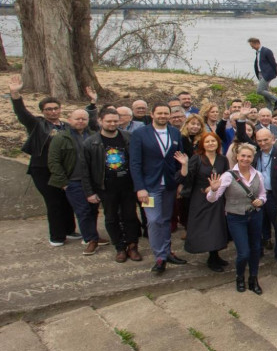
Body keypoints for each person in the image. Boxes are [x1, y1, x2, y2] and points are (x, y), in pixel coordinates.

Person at [9, 74, 81, 245]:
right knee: (54, 201)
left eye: (55, 108)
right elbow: (22, 114)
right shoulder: (38, 124)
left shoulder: (66, 126)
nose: (53, 111)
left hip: (64, 170)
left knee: (66, 200)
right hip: (42, 169)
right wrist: (15, 95)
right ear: (43, 111)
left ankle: (69, 230)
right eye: (49, 109)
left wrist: (92, 105)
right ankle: (57, 236)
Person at [129, 103, 188, 275]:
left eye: (165, 113)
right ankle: (160, 257)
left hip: (169, 185)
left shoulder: (175, 133)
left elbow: (180, 160)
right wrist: (140, 188)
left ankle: (167, 251)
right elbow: (135, 163)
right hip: (149, 186)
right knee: (154, 221)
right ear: (152, 114)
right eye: (159, 113)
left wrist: (180, 182)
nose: (162, 116)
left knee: (166, 219)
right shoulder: (140, 134)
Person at [82, 107, 142, 262]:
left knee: (130, 216)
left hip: (128, 185)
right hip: (106, 188)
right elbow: (85, 169)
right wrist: (89, 192)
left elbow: (137, 161)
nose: (112, 124)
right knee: (111, 218)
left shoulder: (128, 137)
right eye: (108, 121)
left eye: (115, 121)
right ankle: (119, 247)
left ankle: (132, 246)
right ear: (100, 121)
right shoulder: (91, 143)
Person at [206, 143, 266, 294]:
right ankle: (240, 277)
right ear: (237, 157)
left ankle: (253, 278)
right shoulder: (227, 176)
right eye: (243, 156)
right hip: (236, 217)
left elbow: (263, 194)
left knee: (255, 249)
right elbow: (212, 199)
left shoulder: (258, 174)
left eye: (249, 156)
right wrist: (213, 190)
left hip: (255, 215)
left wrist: (261, 201)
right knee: (244, 252)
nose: (245, 159)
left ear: (253, 158)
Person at [47, 105, 106, 254]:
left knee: (93, 210)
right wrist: (64, 183)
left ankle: (93, 236)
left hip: (92, 182)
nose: (80, 121)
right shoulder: (60, 137)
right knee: (83, 211)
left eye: (83, 119)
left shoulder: (94, 136)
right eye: (77, 118)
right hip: (73, 181)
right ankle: (90, 239)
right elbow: (54, 162)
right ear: (69, 120)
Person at [180, 132, 230, 272]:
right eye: (207, 142)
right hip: (200, 196)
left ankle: (215, 255)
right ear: (202, 144)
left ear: (218, 143)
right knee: (205, 226)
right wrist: (184, 165)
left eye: (213, 141)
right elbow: (189, 178)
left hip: (218, 196)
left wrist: (217, 187)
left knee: (217, 226)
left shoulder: (223, 159)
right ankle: (211, 257)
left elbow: (226, 177)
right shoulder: (197, 158)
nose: (210, 144)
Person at [253, 128, 277, 265]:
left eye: (265, 140)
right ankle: (258, 249)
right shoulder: (255, 155)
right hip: (257, 196)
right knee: (258, 224)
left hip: (274, 195)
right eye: (259, 141)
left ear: (273, 139)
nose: (263, 143)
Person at [249, 37, 277, 110]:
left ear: (257, 43)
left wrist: (275, 72)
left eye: (252, 46)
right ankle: (270, 109)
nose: (252, 48)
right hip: (260, 74)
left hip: (267, 74)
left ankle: (276, 99)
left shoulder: (267, 51)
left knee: (259, 90)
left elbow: (273, 63)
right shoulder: (257, 52)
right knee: (265, 92)